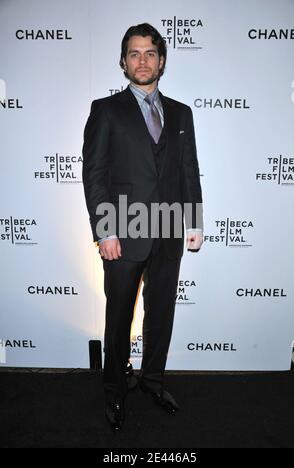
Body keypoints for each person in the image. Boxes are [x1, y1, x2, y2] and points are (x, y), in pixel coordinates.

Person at [82, 23, 204, 432]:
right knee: (119, 317)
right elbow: (95, 174)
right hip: (122, 233)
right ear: (123, 62)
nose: (143, 61)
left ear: (162, 60)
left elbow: (189, 170)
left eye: (150, 53)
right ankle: (114, 391)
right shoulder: (106, 110)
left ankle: (153, 382)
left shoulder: (182, 113)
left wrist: (195, 221)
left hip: (168, 230)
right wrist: (104, 231)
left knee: (161, 316)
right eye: (134, 53)